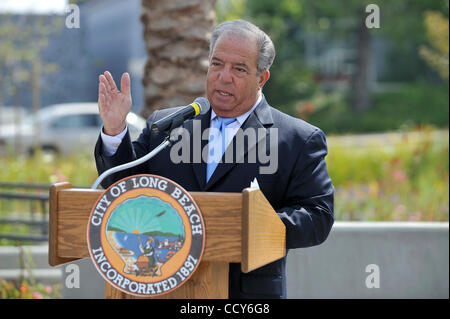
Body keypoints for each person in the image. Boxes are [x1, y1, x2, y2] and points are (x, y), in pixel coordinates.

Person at [95, 19, 334, 299]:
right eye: (217, 64)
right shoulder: (168, 126)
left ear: (262, 78)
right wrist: (114, 129)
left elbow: (318, 217)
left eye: (239, 69)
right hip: (163, 287)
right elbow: (123, 189)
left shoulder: (297, 139)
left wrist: (248, 224)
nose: (223, 76)